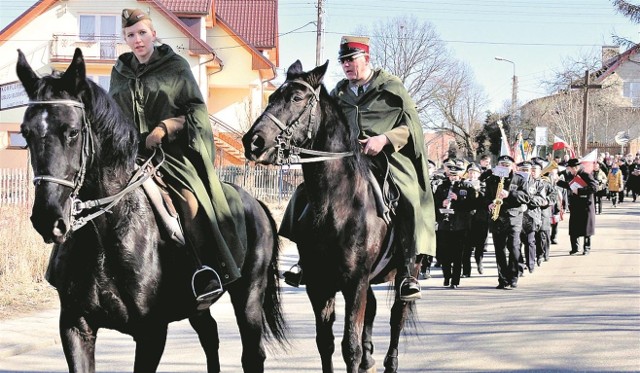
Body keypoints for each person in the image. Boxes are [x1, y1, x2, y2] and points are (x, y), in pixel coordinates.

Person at [283, 36, 437, 301]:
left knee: (410, 196)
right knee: (305, 193)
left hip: (386, 159)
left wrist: (384, 139)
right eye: (343, 62)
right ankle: (304, 261)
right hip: (346, 159)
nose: (346, 66)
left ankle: (408, 269)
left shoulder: (390, 87)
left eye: (351, 60)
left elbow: (413, 127)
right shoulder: (340, 93)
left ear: (366, 59)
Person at [109, 9, 247, 302]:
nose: (137, 40)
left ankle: (204, 269)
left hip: (170, 155)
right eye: (130, 35)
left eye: (142, 33)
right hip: (129, 154)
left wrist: (165, 127)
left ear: (153, 34)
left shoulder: (176, 67)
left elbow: (196, 112)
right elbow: (111, 115)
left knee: (189, 202)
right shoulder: (119, 72)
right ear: (125, 39)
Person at [484, 155, 531, 290]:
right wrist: (489, 204)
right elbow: (486, 196)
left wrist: (509, 194)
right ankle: (502, 279)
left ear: (512, 166)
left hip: (513, 217)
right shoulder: (491, 179)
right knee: (499, 250)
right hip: (497, 217)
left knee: (514, 247)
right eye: (501, 165)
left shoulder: (520, 179)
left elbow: (526, 197)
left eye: (507, 165)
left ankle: (513, 277)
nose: (504, 167)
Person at [433, 164, 476, 289]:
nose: (453, 178)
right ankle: (447, 276)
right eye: (451, 175)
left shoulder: (467, 187)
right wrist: (442, 203)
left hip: (460, 224)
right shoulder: (441, 187)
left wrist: (459, 200)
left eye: (456, 175)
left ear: (460, 175)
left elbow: (472, 205)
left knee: (458, 254)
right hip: (444, 224)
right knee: (444, 253)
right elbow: (434, 204)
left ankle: (455, 280)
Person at [556, 159, 597, 255]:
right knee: (574, 228)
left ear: (576, 168)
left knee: (586, 228)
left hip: (586, 205)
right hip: (575, 205)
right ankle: (574, 248)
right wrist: (558, 182)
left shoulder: (586, 175)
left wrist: (580, 191)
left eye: (570, 169)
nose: (569, 171)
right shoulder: (572, 175)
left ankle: (586, 248)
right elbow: (570, 186)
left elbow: (594, 188)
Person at [464, 163, 489, 276]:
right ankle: (466, 270)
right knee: (466, 246)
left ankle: (479, 262)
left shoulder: (484, 185)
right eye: (470, 172)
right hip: (467, 219)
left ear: (479, 174)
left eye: (474, 173)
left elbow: (486, 200)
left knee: (480, 244)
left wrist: (479, 191)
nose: (472, 175)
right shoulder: (463, 184)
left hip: (481, 219)